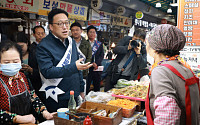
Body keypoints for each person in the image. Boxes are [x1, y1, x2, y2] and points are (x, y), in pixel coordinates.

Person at [36, 8, 92, 112]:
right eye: (60, 24)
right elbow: (47, 72)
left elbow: (78, 68)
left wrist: (81, 89)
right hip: (56, 96)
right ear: (51, 27)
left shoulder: (71, 42)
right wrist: (74, 67)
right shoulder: (43, 46)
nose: (65, 27)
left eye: (67, 23)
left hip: (74, 94)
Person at [145, 24, 199, 125]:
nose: (146, 47)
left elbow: (167, 116)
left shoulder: (161, 71)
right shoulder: (184, 67)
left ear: (155, 48)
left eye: (147, 44)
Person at [0, 40, 54, 125]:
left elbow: (33, 96)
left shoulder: (22, 76)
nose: (11, 65)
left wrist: (45, 113)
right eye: (6, 62)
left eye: (15, 61)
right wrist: (17, 118)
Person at [28, 26, 46, 100]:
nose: (41, 36)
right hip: (36, 79)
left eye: (42, 33)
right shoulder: (31, 48)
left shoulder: (48, 46)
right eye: (38, 34)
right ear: (34, 35)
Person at [86, 25, 104, 94]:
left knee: (97, 86)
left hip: (97, 68)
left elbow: (101, 55)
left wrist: (96, 63)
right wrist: (91, 63)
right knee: (87, 86)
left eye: (94, 32)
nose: (92, 34)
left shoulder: (99, 44)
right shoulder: (84, 43)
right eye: (90, 32)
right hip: (87, 68)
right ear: (87, 33)